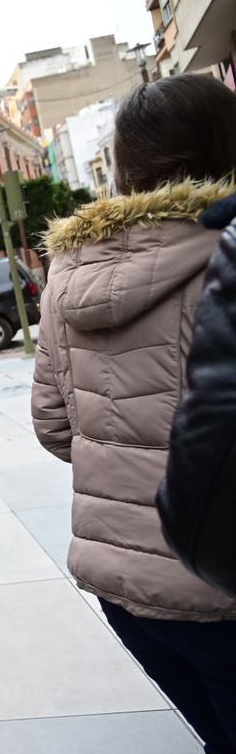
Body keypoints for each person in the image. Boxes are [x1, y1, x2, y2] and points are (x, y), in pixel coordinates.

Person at [31, 74, 236, 753]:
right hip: (218, 584)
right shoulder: (224, 253)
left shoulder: (67, 271)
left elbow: (53, 425)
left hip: (120, 586)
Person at [158, 187, 236, 597]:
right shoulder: (218, 245)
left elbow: (51, 424)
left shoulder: (68, 277)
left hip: (111, 557)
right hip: (210, 578)